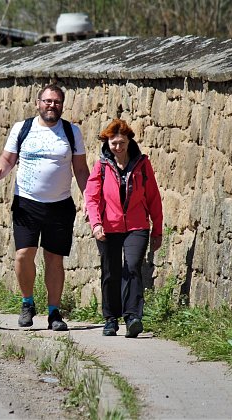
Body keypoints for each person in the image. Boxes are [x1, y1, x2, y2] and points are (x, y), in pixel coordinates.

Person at [0, 84, 90, 331]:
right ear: (38, 102)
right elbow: (7, 161)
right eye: (47, 101)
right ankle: (27, 303)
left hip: (60, 205)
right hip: (27, 203)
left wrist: (89, 200)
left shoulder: (71, 132)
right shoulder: (22, 128)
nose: (52, 105)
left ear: (62, 105)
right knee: (23, 254)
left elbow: (81, 169)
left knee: (54, 259)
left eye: (57, 102)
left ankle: (54, 312)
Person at [84, 118, 163, 338]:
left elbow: (154, 198)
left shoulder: (142, 164)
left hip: (137, 225)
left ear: (129, 141)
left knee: (132, 266)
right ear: (107, 143)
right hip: (108, 226)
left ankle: (132, 317)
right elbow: (91, 197)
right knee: (111, 271)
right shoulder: (101, 165)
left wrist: (157, 230)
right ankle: (110, 319)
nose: (117, 147)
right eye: (113, 143)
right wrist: (96, 223)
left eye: (121, 143)